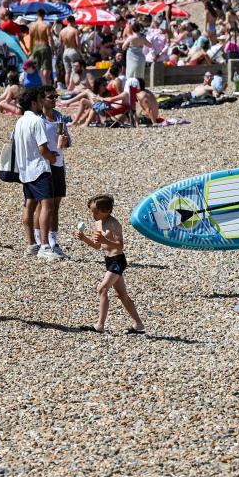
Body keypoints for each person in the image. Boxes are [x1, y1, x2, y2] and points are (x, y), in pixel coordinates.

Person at [75, 194, 144, 334]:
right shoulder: (98, 223)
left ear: (106, 211)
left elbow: (120, 245)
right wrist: (84, 238)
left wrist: (105, 240)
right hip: (109, 261)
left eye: (95, 211)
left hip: (118, 261)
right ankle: (138, 324)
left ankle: (99, 326)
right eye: (91, 211)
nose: (92, 214)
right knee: (121, 294)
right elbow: (97, 246)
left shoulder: (114, 224)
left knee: (102, 288)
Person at [13, 89, 59, 257]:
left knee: (29, 206)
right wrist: (52, 158)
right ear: (34, 102)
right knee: (48, 206)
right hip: (39, 169)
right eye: (40, 100)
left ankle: (31, 244)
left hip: (25, 170)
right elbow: (42, 148)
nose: (42, 104)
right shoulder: (36, 121)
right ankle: (45, 246)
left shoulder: (19, 122)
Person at [36, 86, 71, 260]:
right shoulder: (37, 119)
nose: (54, 100)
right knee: (42, 206)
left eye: (56, 97)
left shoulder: (59, 117)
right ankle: (39, 242)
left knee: (55, 207)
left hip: (58, 164)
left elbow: (67, 141)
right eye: (51, 97)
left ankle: (53, 241)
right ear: (41, 99)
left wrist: (64, 142)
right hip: (42, 166)